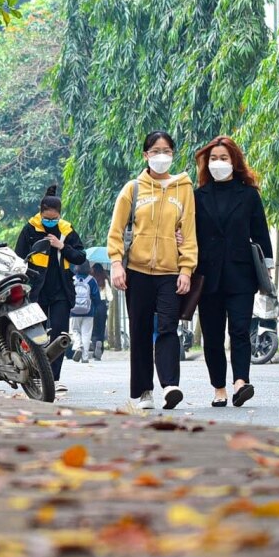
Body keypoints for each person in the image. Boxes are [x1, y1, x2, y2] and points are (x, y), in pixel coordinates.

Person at [107, 130, 198, 411]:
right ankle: (144, 390)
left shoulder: (183, 189)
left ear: (173, 154)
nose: (162, 156)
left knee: (169, 328)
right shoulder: (132, 189)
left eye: (167, 151)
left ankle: (170, 385)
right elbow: (116, 231)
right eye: (156, 151)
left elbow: (189, 232)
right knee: (140, 330)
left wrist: (186, 269)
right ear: (146, 155)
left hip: (170, 272)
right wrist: (116, 263)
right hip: (137, 271)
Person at [192, 135, 273, 407]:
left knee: (239, 330)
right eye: (213, 158)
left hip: (241, 275)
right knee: (213, 336)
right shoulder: (198, 196)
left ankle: (241, 382)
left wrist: (268, 272)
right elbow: (189, 233)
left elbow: (261, 234)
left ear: (234, 161)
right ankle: (219, 389)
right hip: (207, 276)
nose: (218, 163)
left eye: (224, 158)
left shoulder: (248, 195)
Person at [13, 185, 88, 388]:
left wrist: (62, 246)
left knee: (59, 334)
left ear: (60, 215)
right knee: (37, 335)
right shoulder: (30, 229)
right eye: (47, 218)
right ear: (41, 212)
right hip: (36, 291)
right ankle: (38, 374)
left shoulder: (66, 230)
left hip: (61, 291)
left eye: (54, 219)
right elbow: (18, 257)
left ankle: (54, 378)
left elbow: (81, 256)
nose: (50, 222)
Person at [88, 263, 110, 360]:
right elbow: (110, 296)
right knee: (101, 327)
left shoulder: (91, 279)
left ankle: (94, 343)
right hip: (102, 305)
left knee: (92, 328)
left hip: (92, 305)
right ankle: (99, 345)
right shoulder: (105, 280)